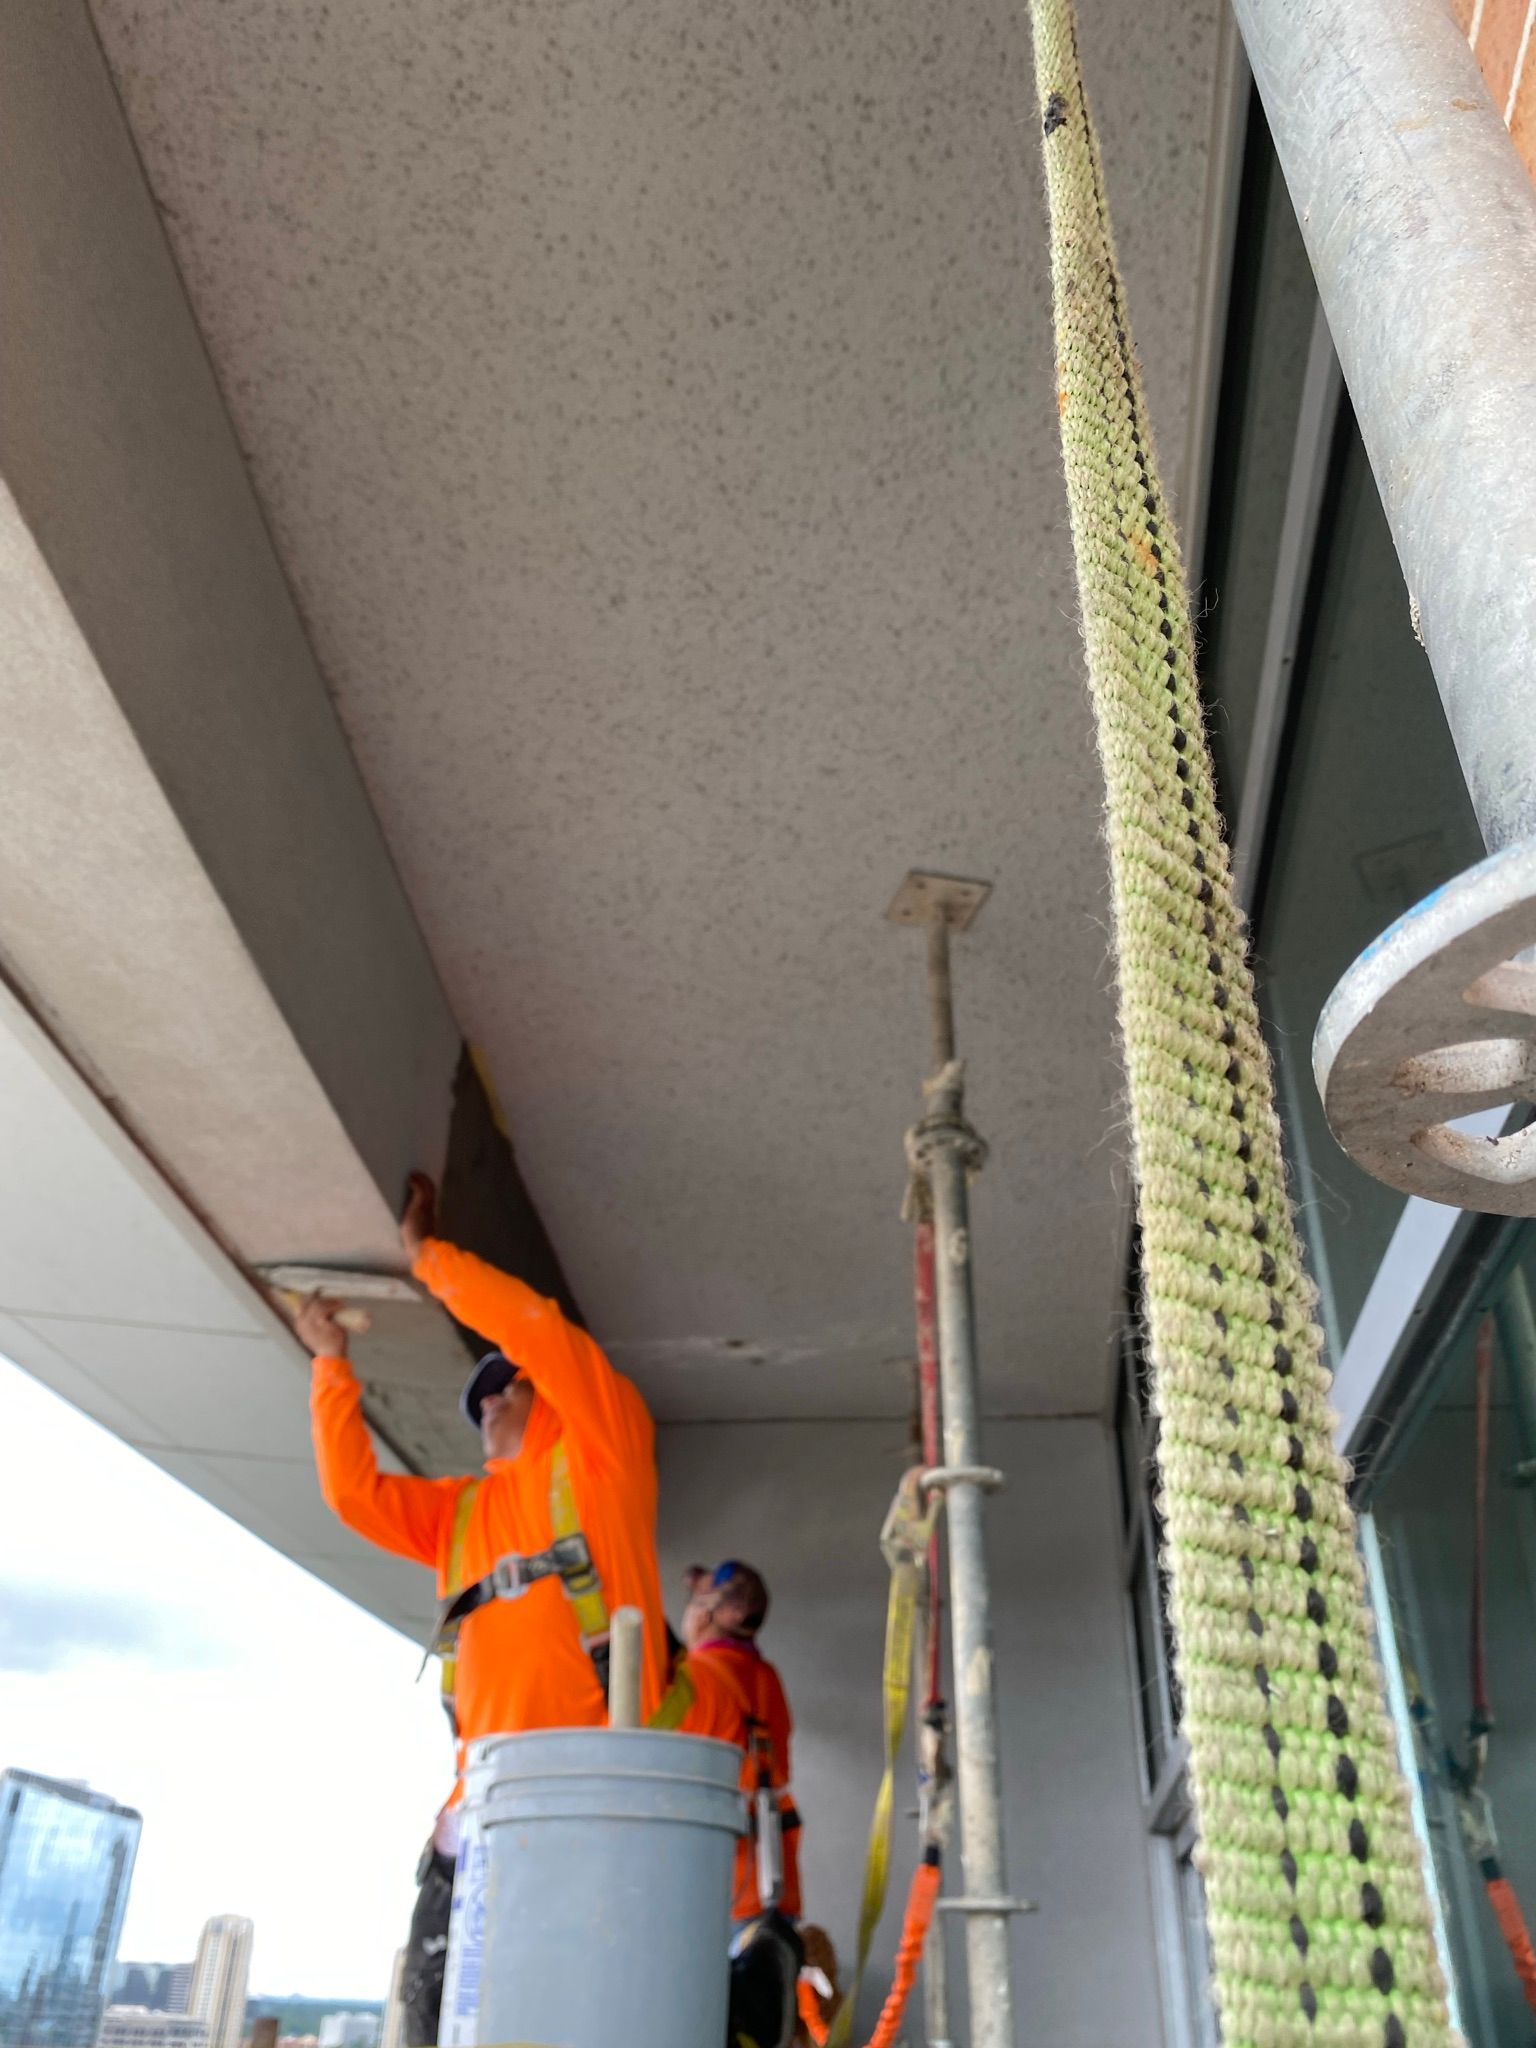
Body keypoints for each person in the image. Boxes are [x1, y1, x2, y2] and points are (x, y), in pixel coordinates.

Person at [297, 1173, 671, 2047]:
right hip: (477, 1819)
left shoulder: (604, 1453)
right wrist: (329, 1365)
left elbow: (537, 1330)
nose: (490, 1396)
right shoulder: (460, 1513)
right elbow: (351, 1493)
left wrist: (432, 1261)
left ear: (547, 1391)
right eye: (479, 1398)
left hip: (590, 1803)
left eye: (508, 1384)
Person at [682, 1561, 804, 2048]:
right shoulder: (767, 1679)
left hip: (722, 1887)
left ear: (712, 1615)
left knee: (705, 2026)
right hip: (775, 1886)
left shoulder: (697, 1679)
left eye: (696, 1603)